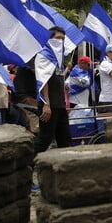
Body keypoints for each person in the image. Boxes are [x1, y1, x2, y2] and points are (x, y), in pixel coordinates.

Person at [34, 26, 71, 154]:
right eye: (58, 38)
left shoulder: (59, 58)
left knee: (65, 140)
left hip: (60, 105)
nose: (60, 41)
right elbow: (43, 81)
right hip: (48, 106)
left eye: (63, 39)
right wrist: (46, 104)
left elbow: (57, 79)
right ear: (49, 39)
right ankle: (28, 165)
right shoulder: (43, 55)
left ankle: (64, 169)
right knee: (45, 140)